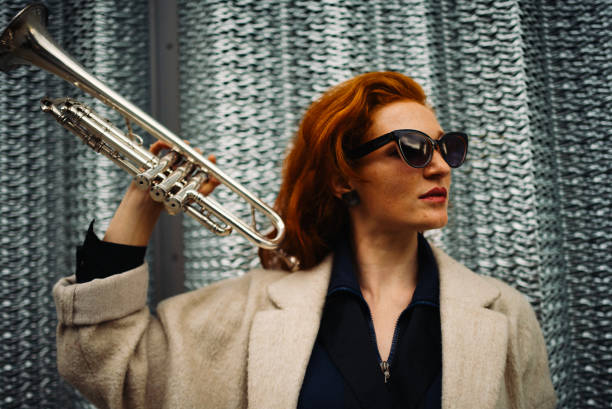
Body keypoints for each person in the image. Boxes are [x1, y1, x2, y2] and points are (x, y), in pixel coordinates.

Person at [53, 72, 557, 409]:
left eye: (448, 148)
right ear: (342, 178)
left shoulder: (507, 314)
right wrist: (145, 199)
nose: (442, 166)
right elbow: (104, 365)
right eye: (413, 148)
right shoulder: (243, 312)